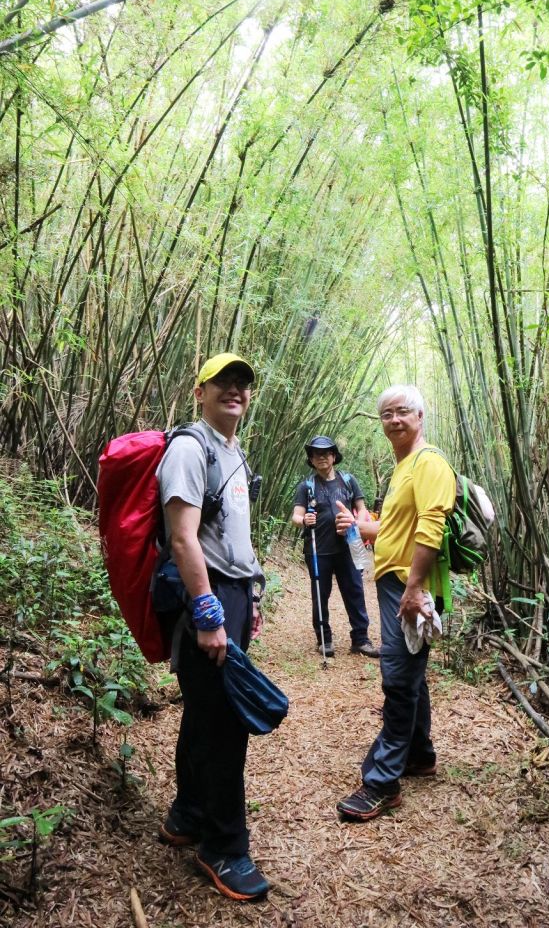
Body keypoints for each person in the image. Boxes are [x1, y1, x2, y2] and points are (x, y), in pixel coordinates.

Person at [155, 352, 269, 901]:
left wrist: (253, 591)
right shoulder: (188, 447)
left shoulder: (233, 452)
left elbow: (231, 535)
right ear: (199, 390)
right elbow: (182, 539)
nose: (235, 391)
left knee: (206, 710)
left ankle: (189, 813)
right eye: (223, 382)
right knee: (226, 723)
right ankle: (223, 846)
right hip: (206, 598)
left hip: (232, 594)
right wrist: (208, 612)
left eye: (243, 384)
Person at [335, 386, 456, 820]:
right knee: (411, 670)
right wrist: (362, 526)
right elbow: (396, 528)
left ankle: (383, 781)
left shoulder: (429, 463)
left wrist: (414, 588)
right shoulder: (402, 467)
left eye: (402, 411)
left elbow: (431, 527)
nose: (394, 420)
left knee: (398, 678)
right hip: (397, 581)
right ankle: (420, 755)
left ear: (421, 415)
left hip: (411, 584)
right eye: (386, 414)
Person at [291, 436, 380, 659]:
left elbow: (362, 509)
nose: (321, 457)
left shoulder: (348, 480)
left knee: (355, 592)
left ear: (333, 456)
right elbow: (296, 515)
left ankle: (361, 640)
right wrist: (304, 521)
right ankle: (324, 639)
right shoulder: (307, 486)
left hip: (347, 547)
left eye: (326, 453)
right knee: (320, 595)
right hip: (318, 548)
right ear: (311, 459)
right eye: (316, 454)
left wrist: (358, 522)